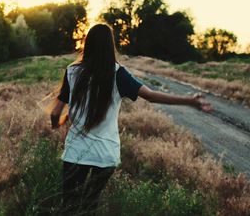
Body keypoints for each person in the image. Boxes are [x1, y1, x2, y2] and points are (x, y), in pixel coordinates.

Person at [50, 24, 212, 215]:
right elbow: (151, 96)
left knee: (68, 206)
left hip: (75, 152)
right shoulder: (118, 73)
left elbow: (54, 113)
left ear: (88, 43)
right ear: (111, 45)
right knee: (90, 205)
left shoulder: (72, 71)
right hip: (105, 154)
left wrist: (59, 123)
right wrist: (189, 101)